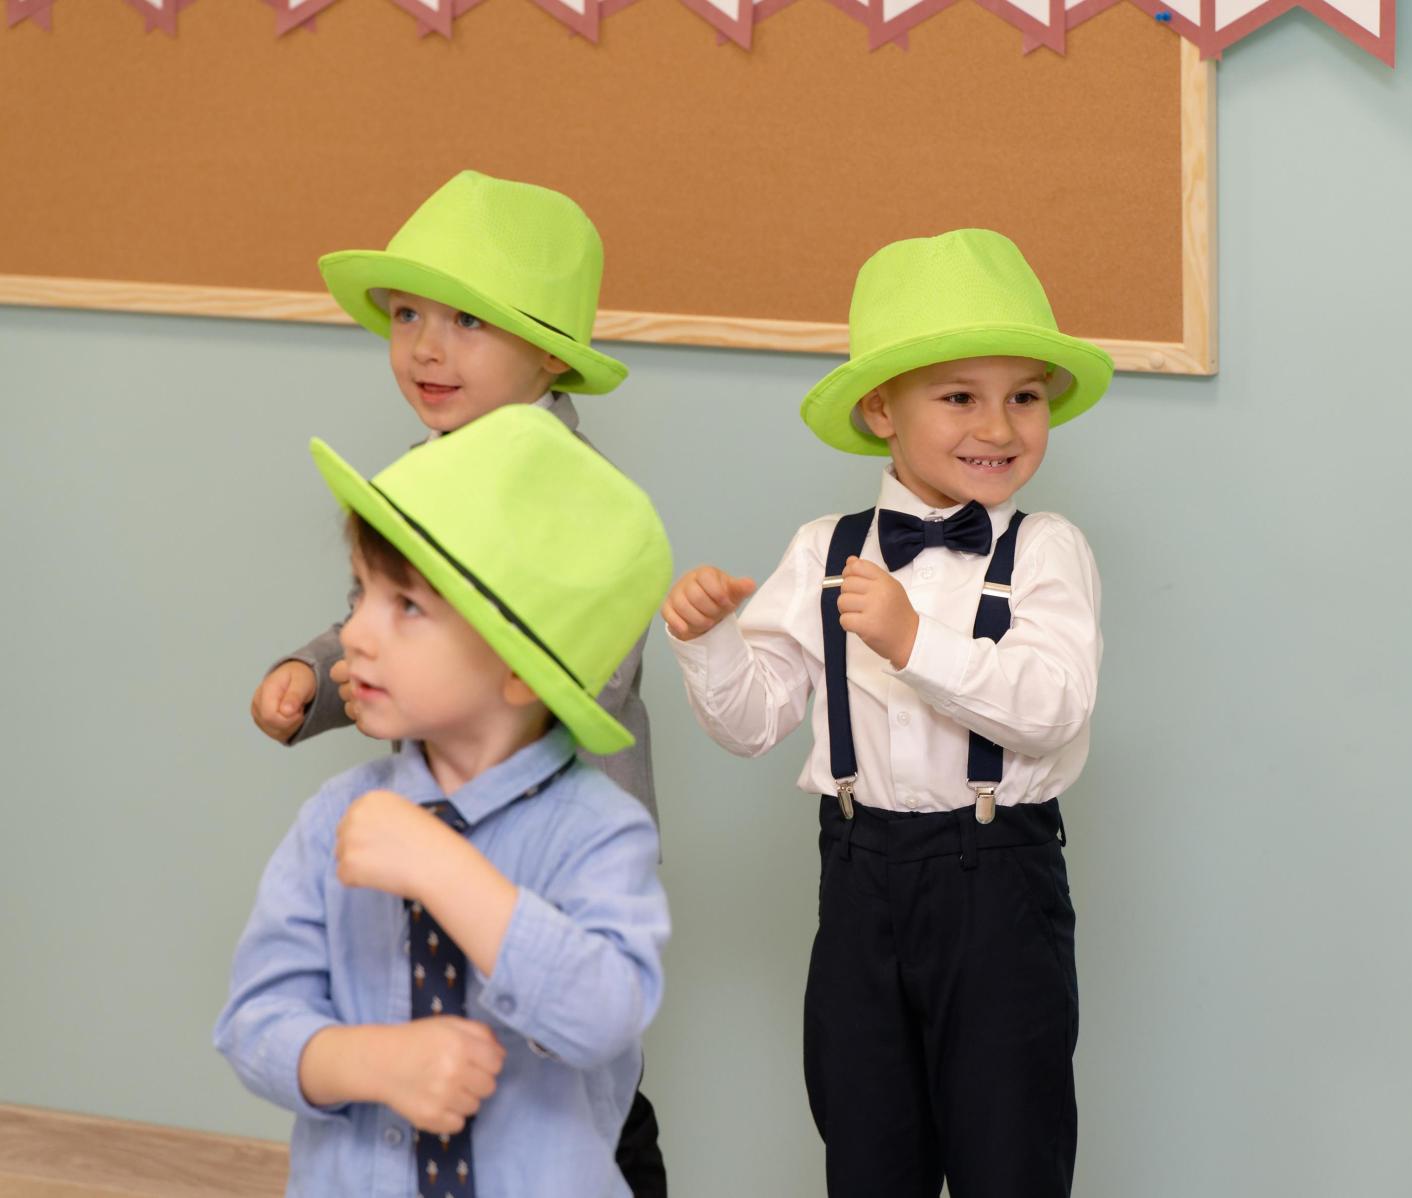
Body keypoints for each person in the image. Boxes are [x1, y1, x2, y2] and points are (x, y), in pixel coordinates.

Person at [662, 228, 1111, 1197]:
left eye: (1025, 396)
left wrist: (916, 642)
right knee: (867, 1145)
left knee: (1010, 1149)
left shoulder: (1046, 550)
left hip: (999, 881)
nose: (999, 426)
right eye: (959, 397)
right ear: (880, 410)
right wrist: (708, 640)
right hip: (859, 879)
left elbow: (1054, 706)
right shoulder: (824, 550)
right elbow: (752, 722)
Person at [244, 169, 668, 1189]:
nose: (426, 348)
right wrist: (319, 672)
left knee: (568, 1077)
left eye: (468, 321)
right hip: (433, 812)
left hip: (538, 843)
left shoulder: (581, 507)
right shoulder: (415, 478)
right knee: (443, 1039)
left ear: (551, 353)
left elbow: (573, 667)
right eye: (407, 316)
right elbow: (392, 635)